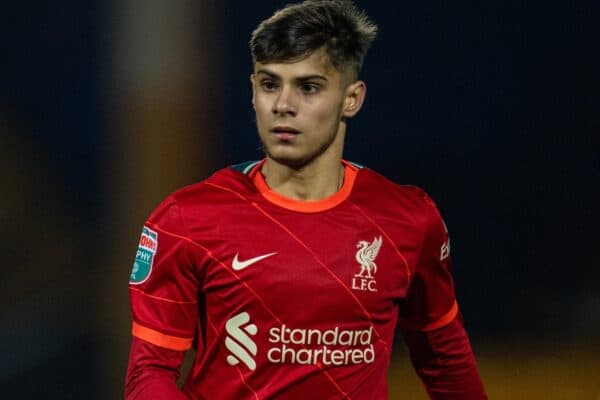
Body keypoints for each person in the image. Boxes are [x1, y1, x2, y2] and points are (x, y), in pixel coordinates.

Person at [125, 1, 488, 398]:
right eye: (269, 84)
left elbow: (445, 361)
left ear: (352, 98)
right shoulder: (187, 220)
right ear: (253, 92)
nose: (283, 105)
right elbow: (150, 372)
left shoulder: (408, 220)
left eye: (308, 87)